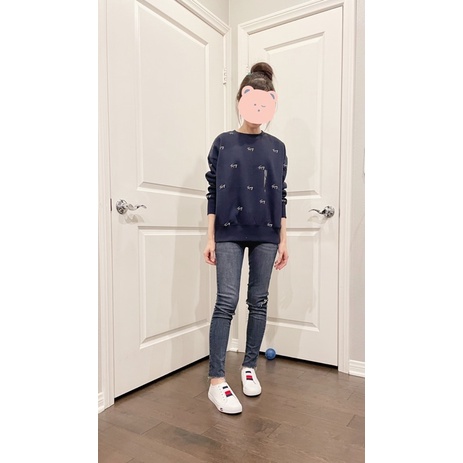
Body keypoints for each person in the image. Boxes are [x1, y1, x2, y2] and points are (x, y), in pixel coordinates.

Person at [203, 62, 289, 414]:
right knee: (226, 301)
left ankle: (249, 366)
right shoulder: (223, 143)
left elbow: (281, 195)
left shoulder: (278, 147)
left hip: (267, 232)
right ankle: (216, 380)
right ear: (241, 98)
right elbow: (212, 191)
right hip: (229, 231)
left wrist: (284, 239)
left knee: (259, 300)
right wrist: (210, 237)